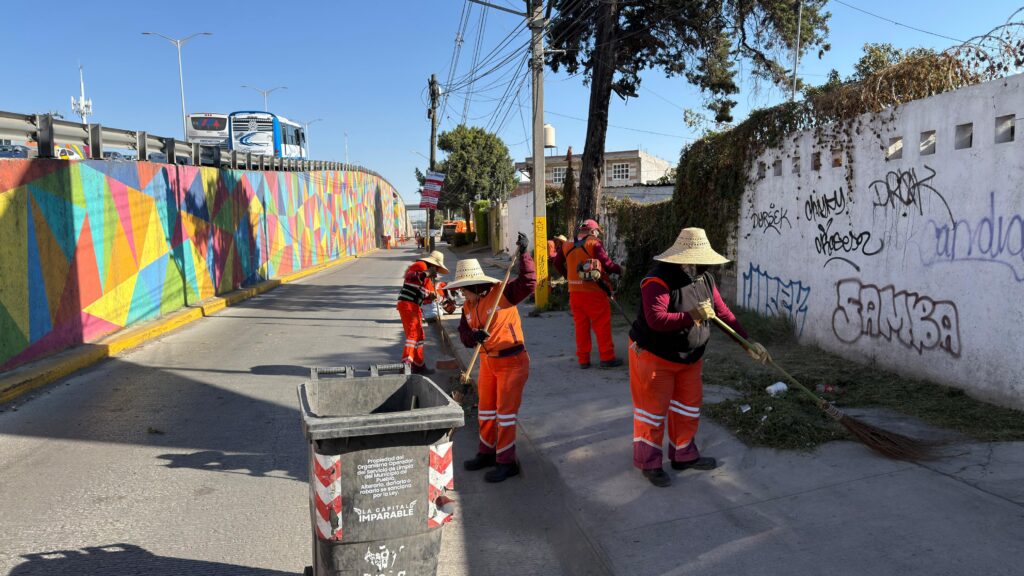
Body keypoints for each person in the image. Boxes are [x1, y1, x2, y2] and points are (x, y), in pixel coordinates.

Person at [628, 228, 771, 487]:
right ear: (683, 257)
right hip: (655, 356)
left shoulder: (705, 279)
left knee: (688, 406)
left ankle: (683, 454)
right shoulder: (657, 280)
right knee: (653, 412)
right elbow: (656, 319)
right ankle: (650, 463)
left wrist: (746, 342)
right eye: (698, 260)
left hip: (690, 357)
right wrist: (692, 315)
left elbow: (721, 312)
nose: (702, 265)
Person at [450, 233, 536, 483]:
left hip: (512, 361)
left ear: (474, 286)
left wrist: (524, 255)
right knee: (486, 411)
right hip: (488, 362)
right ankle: (487, 452)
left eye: (463, 290)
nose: (461, 295)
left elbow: (529, 283)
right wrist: (474, 336)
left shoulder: (502, 293)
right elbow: (464, 335)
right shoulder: (468, 306)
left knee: (505, 415)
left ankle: (506, 462)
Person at [553, 219, 623, 369]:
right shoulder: (594, 243)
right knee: (601, 324)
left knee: (581, 327)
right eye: (597, 232)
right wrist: (620, 270)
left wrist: (568, 276)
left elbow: (557, 263)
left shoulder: (567, 244)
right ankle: (607, 357)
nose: (598, 235)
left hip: (574, 293)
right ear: (592, 231)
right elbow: (607, 265)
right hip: (594, 292)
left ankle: (583, 360)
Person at [396, 250, 449, 375]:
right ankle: (406, 363)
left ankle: (419, 365)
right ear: (433, 265)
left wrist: (432, 296)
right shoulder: (421, 265)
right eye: (437, 268)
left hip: (415, 306)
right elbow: (409, 276)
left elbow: (424, 295)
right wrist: (426, 273)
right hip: (408, 305)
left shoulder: (428, 279)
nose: (437, 271)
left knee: (420, 336)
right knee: (413, 334)